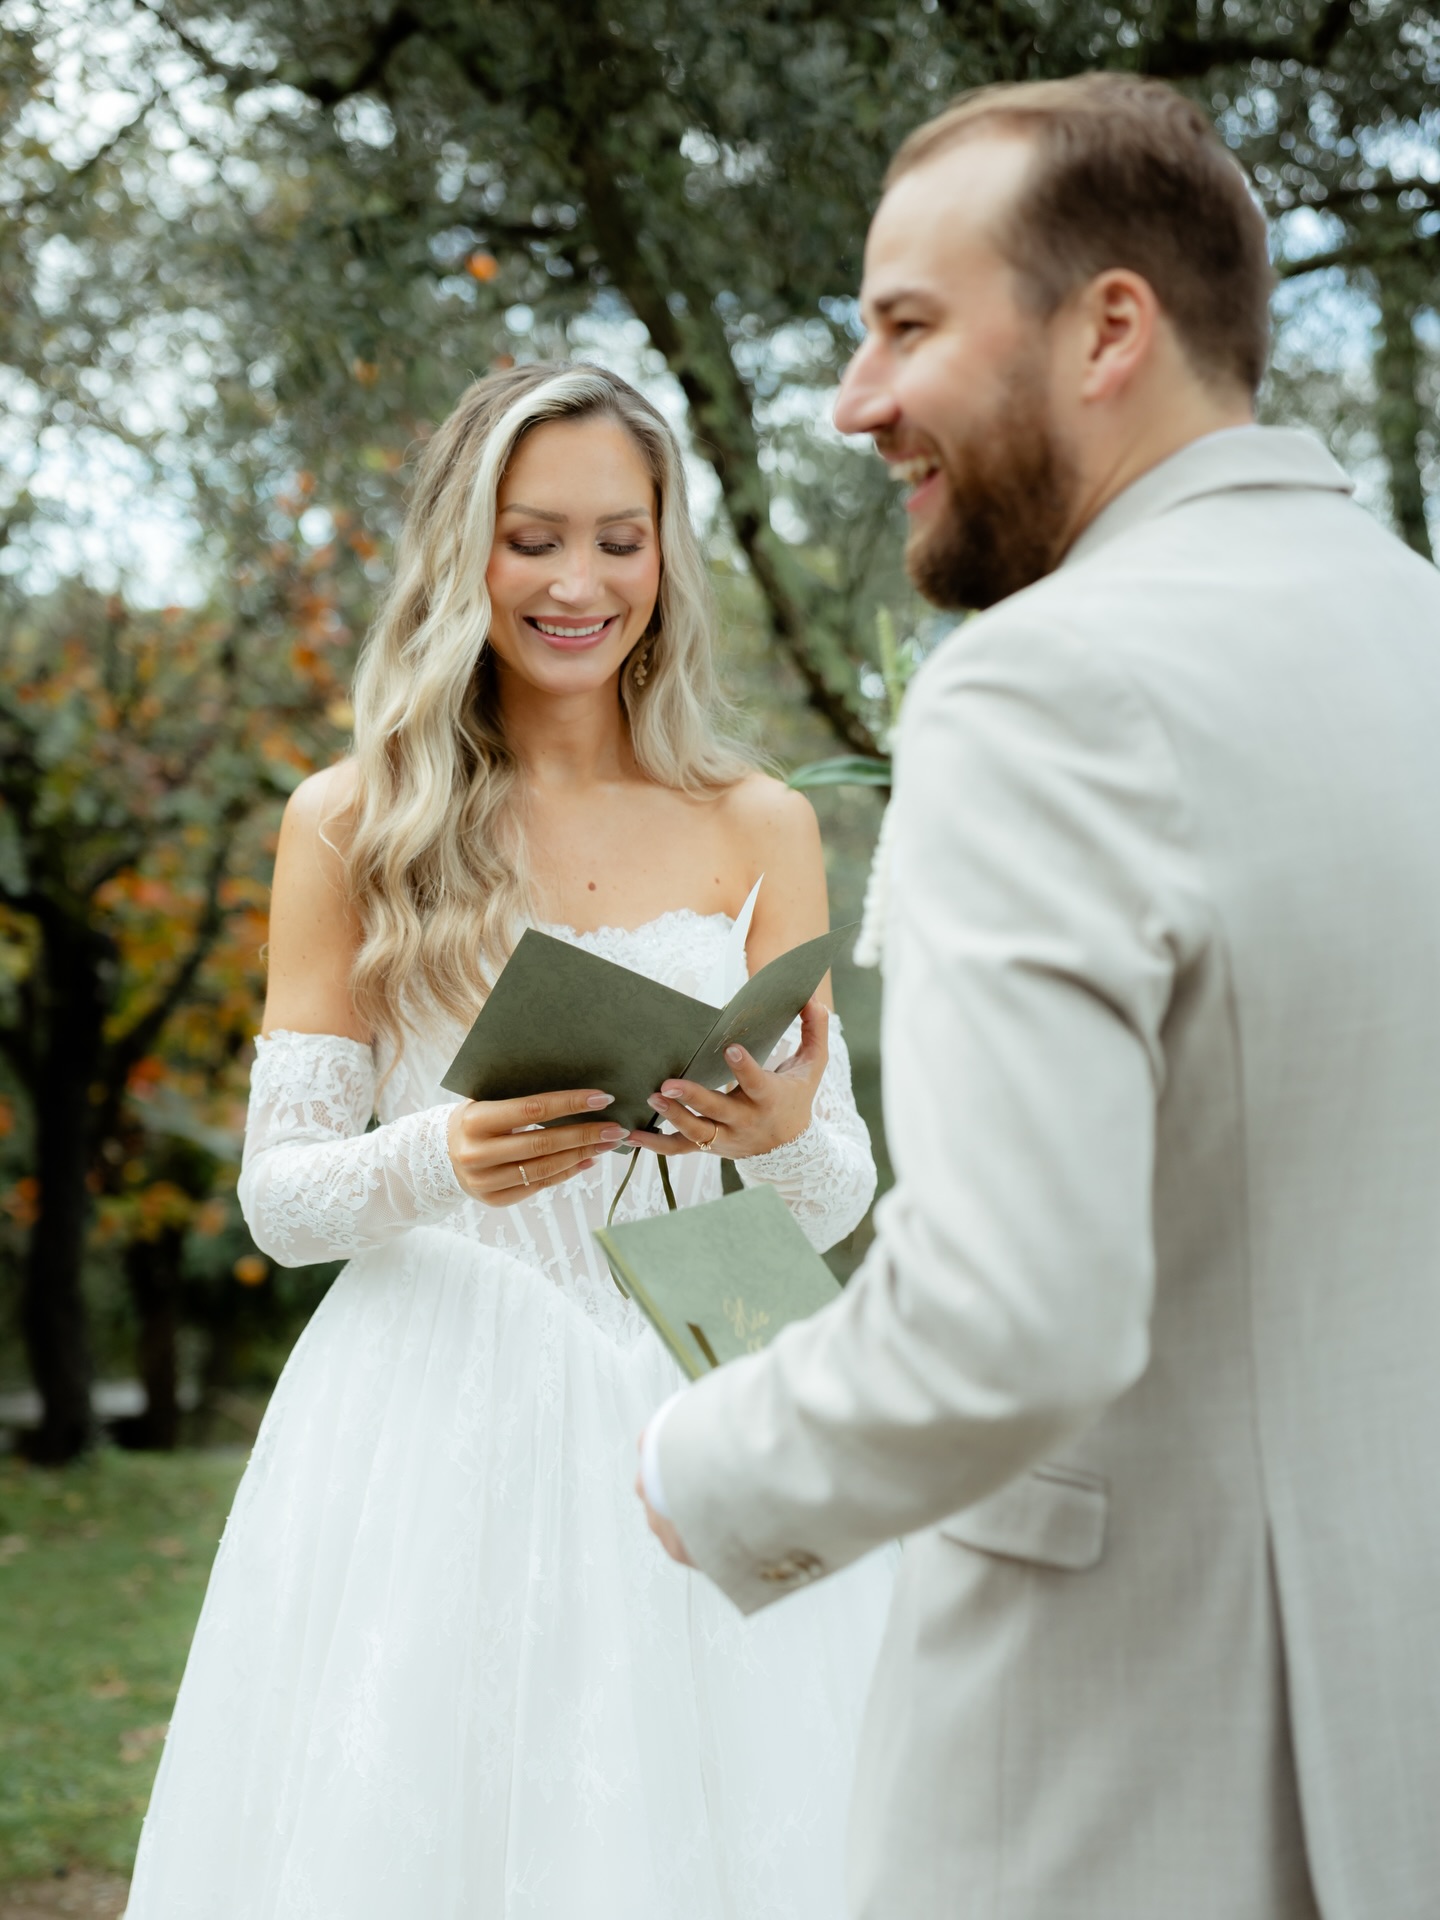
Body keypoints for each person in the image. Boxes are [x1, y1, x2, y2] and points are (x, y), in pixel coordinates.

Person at [638, 73, 1440, 1919]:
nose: (857, 402)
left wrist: (712, 1458)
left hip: (1121, 1770)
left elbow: (1014, 1315)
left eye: (907, 326)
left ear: (1109, 328)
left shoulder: (1045, 686)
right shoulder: (1412, 626)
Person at [123, 362, 894, 1920]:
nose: (578, 581)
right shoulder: (353, 819)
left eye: (621, 538)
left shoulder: (759, 822)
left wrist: (787, 1123)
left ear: (667, 555)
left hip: (702, 1359)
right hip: (434, 1413)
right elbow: (280, 1200)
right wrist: (441, 1160)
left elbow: (831, 1202)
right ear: (464, 554)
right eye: (533, 538)